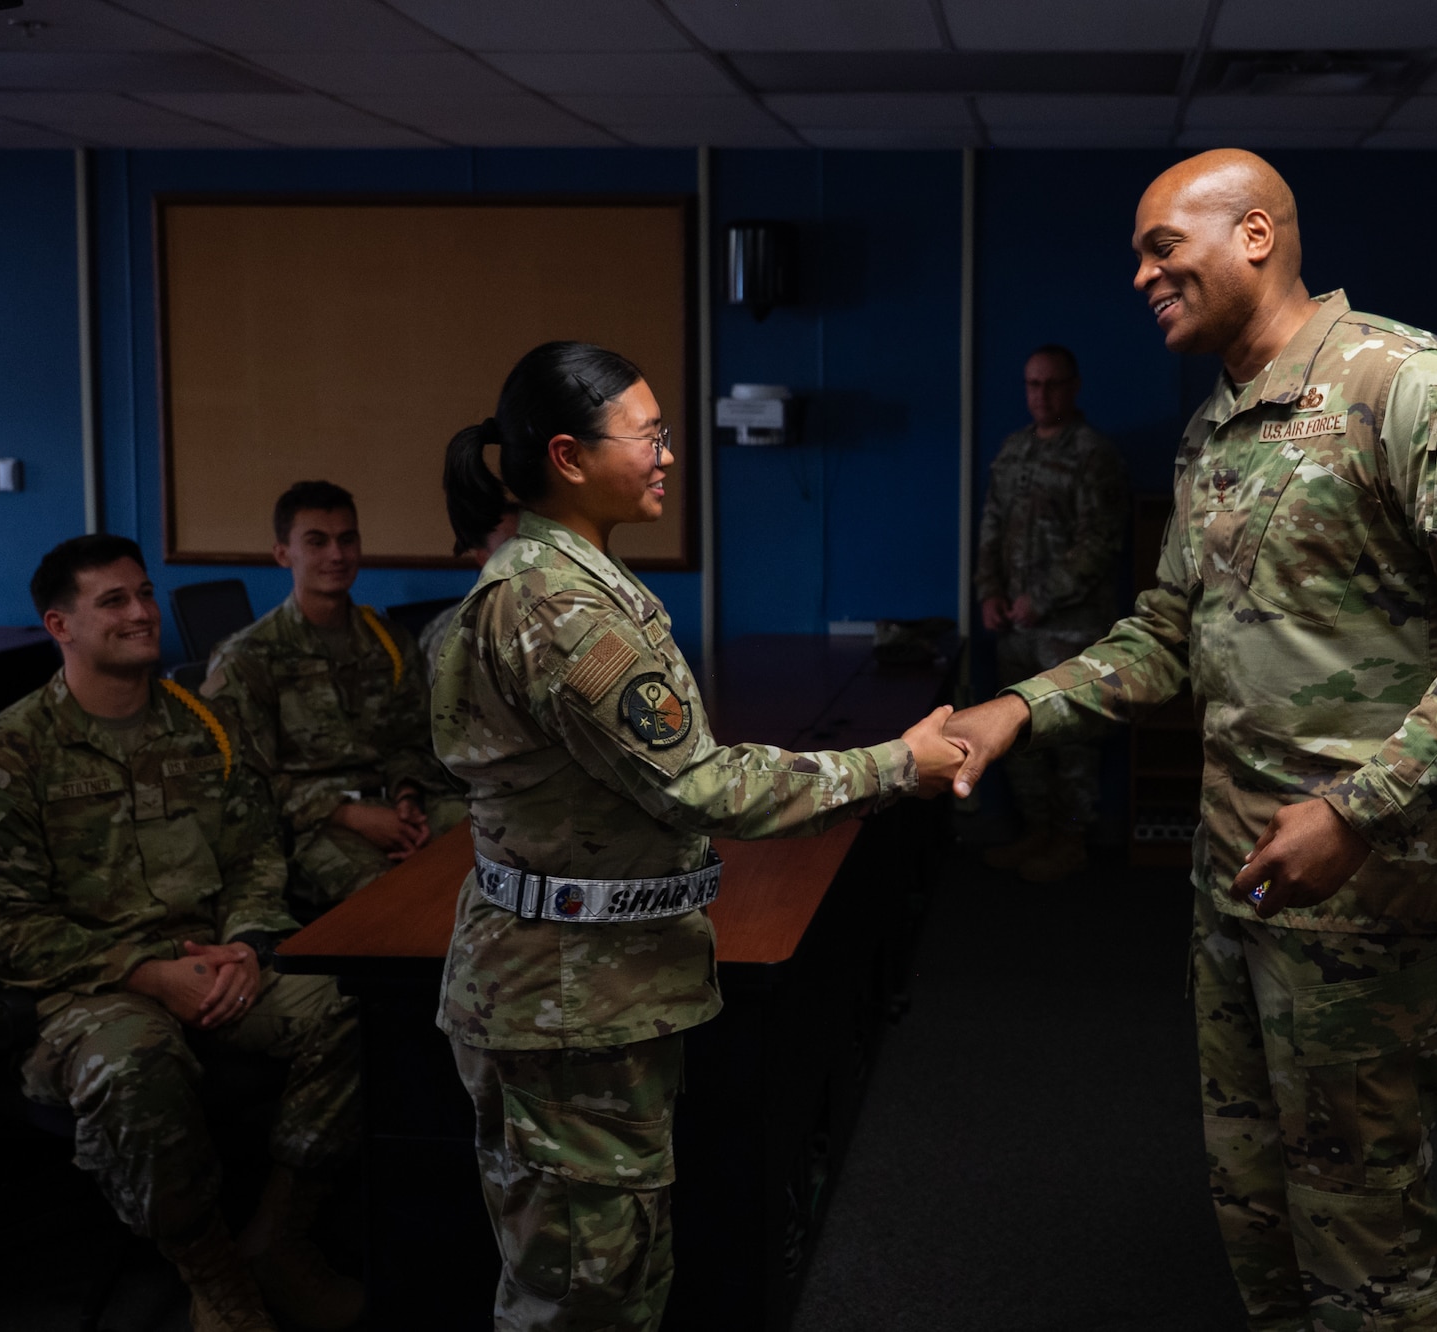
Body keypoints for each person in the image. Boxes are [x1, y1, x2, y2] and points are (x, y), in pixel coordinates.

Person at [944, 150, 1437, 1332]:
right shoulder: (1214, 432)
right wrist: (1021, 706)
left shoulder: (1406, 386)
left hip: (1366, 884)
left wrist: (1356, 807)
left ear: (1252, 235)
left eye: (1158, 246)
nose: (1139, 274)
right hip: (1232, 878)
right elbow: (1168, 633)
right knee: (1256, 1201)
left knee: (1364, 1221)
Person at [430, 342, 970, 1331]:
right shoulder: (555, 608)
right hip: (563, 999)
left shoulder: (566, 581)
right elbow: (704, 785)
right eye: (650, 436)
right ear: (567, 455)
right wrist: (898, 764)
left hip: (591, 984)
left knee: (611, 1270)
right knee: (581, 1295)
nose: (669, 456)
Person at [0, 534, 364, 1332]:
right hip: (89, 992)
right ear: (60, 625)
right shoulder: (5, 760)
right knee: (136, 1069)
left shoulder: (202, 728)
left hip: (217, 961)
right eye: (114, 602)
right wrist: (143, 972)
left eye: (144, 594)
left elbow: (256, 856)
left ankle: (280, 1236)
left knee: (348, 1006)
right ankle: (218, 1280)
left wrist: (248, 945)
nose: (141, 613)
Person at [203, 481, 466, 913]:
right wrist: (347, 814)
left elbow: (410, 741)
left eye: (347, 539)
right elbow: (243, 780)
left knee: (492, 844)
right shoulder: (247, 657)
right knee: (397, 900)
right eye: (316, 541)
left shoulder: (389, 643)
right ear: (282, 553)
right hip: (311, 825)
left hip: (397, 806)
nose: (336, 555)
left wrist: (407, 799)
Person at [973, 343, 1128, 881]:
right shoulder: (1013, 450)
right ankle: (1036, 833)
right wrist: (988, 593)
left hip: (1070, 629)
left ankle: (1071, 843)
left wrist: (1041, 598)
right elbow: (990, 529)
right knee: (1018, 738)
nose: (1042, 395)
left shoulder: (1092, 452)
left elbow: (1099, 542)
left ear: (1074, 386)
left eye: (1052, 384)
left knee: (1072, 741)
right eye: (1033, 385)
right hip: (1016, 628)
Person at [419, 494, 520, 679]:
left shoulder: (547, 616)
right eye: (511, 546)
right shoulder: (453, 630)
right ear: (484, 558)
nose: (526, 555)